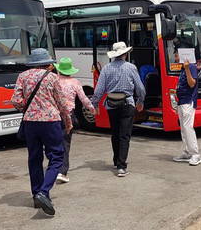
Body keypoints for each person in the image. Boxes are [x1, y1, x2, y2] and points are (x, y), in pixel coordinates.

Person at [11, 48, 73, 216]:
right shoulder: (52, 78)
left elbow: (15, 100)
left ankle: (35, 194)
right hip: (50, 121)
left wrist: (28, 110)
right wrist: (68, 123)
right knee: (56, 156)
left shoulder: (23, 77)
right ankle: (44, 192)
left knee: (34, 157)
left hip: (30, 122)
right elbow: (62, 103)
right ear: (47, 63)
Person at [91, 42, 146, 177]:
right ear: (125, 53)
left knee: (115, 133)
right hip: (127, 103)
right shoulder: (131, 67)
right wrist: (140, 101)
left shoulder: (106, 68)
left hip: (111, 105)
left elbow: (99, 90)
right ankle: (122, 166)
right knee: (124, 135)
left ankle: (116, 160)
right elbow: (140, 88)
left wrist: (95, 104)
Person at [53, 56, 95, 184]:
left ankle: (54, 167)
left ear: (59, 70)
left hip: (53, 115)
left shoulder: (54, 81)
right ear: (70, 71)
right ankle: (63, 171)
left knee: (54, 142)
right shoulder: (75, 82)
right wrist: (92, 109)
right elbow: (83, 98)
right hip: (68, 115)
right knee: (65, 143)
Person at [172, 48, 201, 166]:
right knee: (183, 128)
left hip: (188, 101)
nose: (176, 58)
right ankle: (187, 152)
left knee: (188, 127)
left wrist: (188, 69)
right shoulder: (183, 69)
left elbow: (192, 83)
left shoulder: (191, 67)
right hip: (182, 101)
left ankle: (195, 154)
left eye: (177, 56)